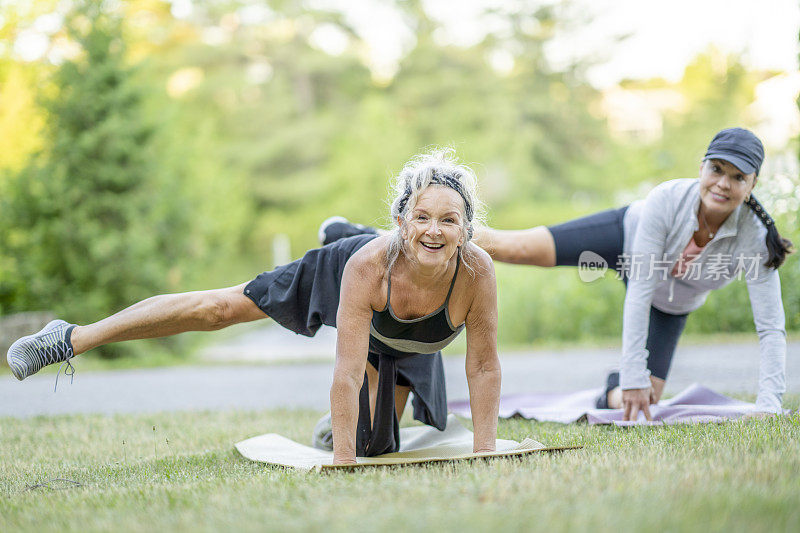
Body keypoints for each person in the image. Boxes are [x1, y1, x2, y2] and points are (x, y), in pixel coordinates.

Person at [6, 149, 501, 464]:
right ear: (400, 219)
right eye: (421, 217)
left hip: (406, 334)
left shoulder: (476, 273)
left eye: (448, 221)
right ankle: (71, 336)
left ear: (467, 230)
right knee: (217, 310)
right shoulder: (366, 269)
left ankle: (342, 228)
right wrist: (344, 468)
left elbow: (481, 366)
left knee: (379, 445)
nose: (434, 230)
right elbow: (345, 373)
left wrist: (486, 454)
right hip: (355, 276)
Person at [323, 128, 794, 422]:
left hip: (670, 304)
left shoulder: (755, 236)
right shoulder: (668, 200)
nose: (723, 183)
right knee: (512, 246)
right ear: (702, 167)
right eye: (717, 169)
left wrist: (770, 402)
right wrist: (633, 369)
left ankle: (611, 385)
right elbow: (639, 289)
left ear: (753, 185)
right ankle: (370, 235)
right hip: (623, 238)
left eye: (737, 177)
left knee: (642, 397)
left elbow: (771, 326)